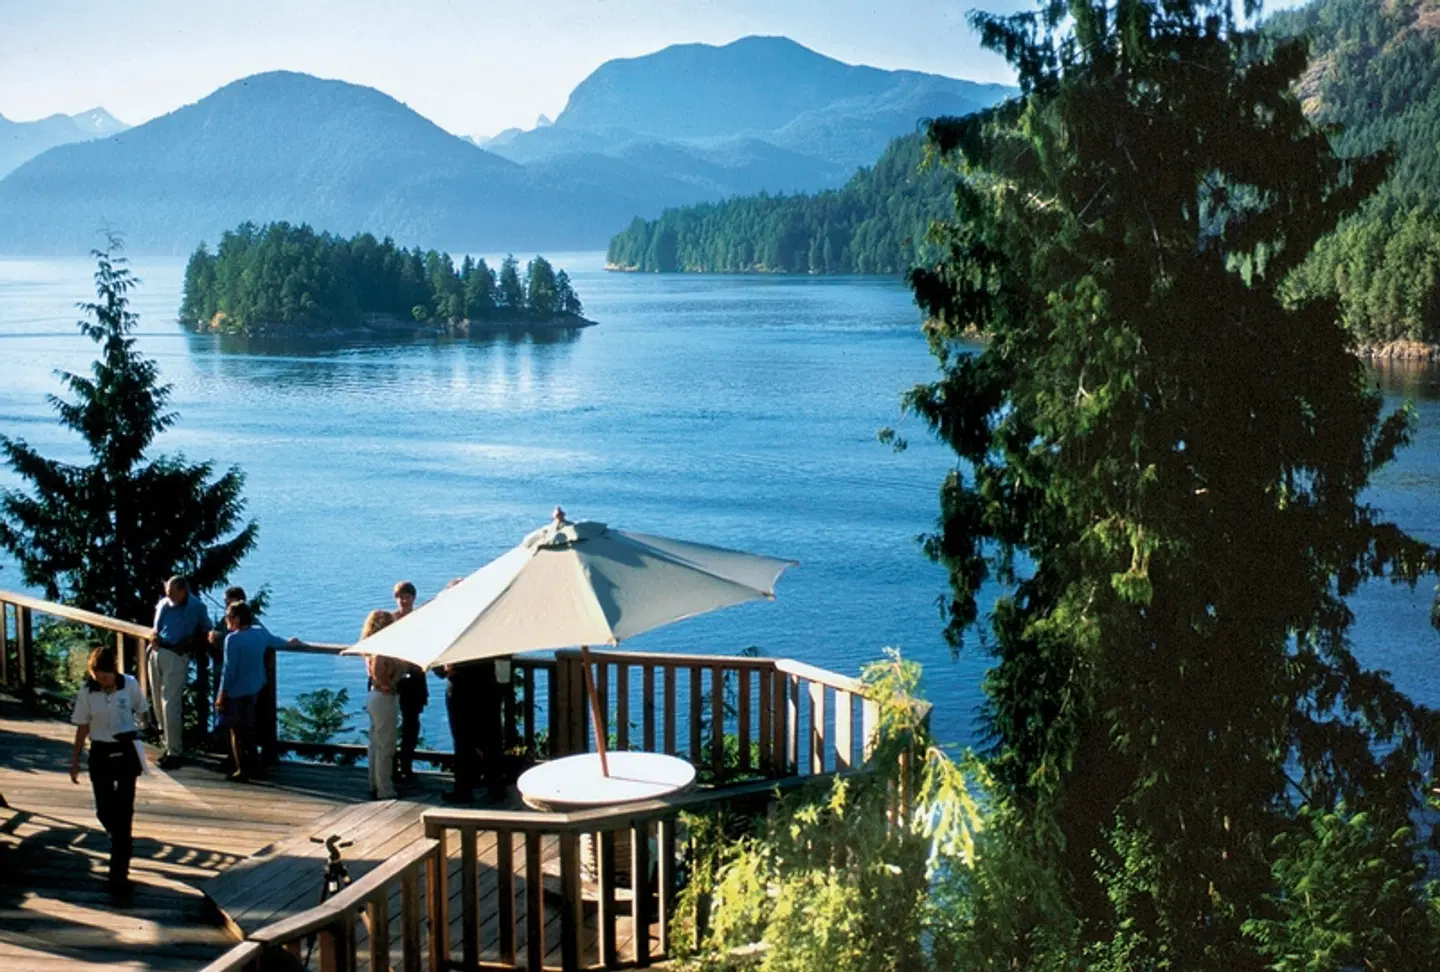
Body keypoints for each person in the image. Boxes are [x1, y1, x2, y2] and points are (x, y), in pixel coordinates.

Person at [69, 645, 148, 894]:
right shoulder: (87, 691)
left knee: (125, 809)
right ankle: (120, 841)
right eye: (96, 676)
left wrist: (141, 731)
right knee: (104, 809)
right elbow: (82, 726)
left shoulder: (130, 684)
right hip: (100, 750)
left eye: (104, 676)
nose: (100, 681)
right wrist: (75, 760)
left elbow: (142, 709)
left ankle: (119, 871)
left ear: (112, 671)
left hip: (125, 749)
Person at [216, 601, 292, 782]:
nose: (226, 619)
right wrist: (294, 642)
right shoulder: (259, 633)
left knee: (236, 731)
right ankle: (254, 765)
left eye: (229, 616)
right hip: (254, 690)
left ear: (237, 618)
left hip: (235, 692)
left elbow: (229, 670)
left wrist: (222, 694)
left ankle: (242, 769)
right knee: (249, 729)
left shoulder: (232, 639)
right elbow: (277, 641)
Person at [147, 575, 212, 769]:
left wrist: (191, 643)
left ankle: (175, 751)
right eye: (167, 593)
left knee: (170, 703)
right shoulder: (164, 604)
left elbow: (206, 630)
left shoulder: (196, 607)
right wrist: (153, 635)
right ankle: (166, 745)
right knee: (158, 700)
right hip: (157, 651)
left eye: (172, 593)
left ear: (183, 591)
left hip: (176, 654)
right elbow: (156, 628)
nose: (169, 597)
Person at [438, 659, 504, 804]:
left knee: (463, 741)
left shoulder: (451, 640)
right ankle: (495, 789)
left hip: (460, 688)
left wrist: (447, 669)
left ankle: (464, 788)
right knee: (491, 739)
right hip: (487, 686)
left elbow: (440, 670)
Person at [360, 610, 403, 800]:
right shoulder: (381, 650)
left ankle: (374, 783)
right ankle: (385, 789)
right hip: (383, 697)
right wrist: (390, 685)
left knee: (376, 742)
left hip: (374, 696)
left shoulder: (369, 647)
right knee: (386, 745)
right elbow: (379, 674)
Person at [391, 581, 428, 784]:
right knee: (389, 723)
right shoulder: (390, 620)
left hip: (414, 679)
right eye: (400, 597)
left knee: (411, 724)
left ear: (414, 597)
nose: (403, 600)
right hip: (393, 678)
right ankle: (391, 765)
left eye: (407, 596)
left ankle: (407, 764)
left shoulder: (421, 620)